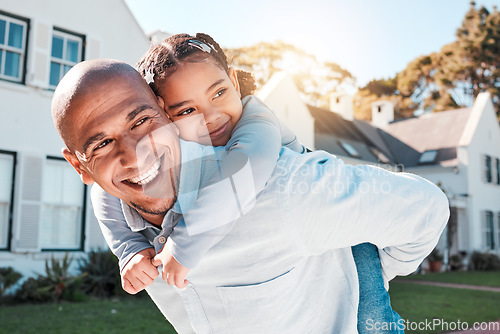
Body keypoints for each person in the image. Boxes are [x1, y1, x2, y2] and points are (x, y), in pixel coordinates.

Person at [52, 59, 449, 333]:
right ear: (80, 167)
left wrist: (372, 275)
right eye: (101, 143)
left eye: (141, 120)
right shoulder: (119, 208)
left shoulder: (284, 189)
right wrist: (127, 251)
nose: (133, 154)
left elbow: (427, 209)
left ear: (165, 112)